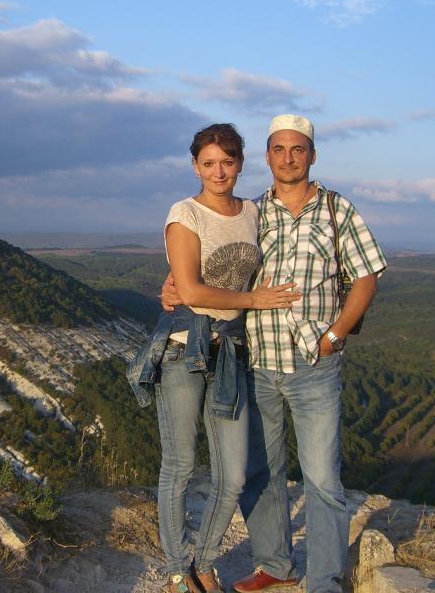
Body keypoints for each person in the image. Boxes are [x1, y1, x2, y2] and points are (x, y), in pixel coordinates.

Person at [163, 114, 387, 593]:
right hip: (255, 360)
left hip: (314, 363)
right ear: (266, 157)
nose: (288, 158)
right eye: (279, 149)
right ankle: (275, 565)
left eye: (297, 149)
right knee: (259, 472)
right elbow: (213, 262)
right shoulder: (255, 211)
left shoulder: (336, 209)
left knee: (322, 478)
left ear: (312, 155)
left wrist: (335, 336)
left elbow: (367, 275)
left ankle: (324, 581)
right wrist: (175, 285)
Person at [128, 123, 301, 593]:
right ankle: (177, 571)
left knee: (233, 474)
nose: (218, 171)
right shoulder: (185, 213)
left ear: (241, 163)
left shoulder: (253, 212)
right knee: (180, 466)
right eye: (208, 163)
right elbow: (189, 290)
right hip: (185, 349)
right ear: (195, 166)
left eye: (227, 161)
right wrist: (253, 300)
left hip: (231, 352)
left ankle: (202, 562)